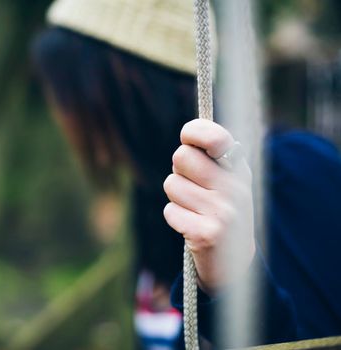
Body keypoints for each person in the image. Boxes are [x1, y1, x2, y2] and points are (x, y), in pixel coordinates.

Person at [31, 0, 341, 348]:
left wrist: (232, 281)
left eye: (73, 100)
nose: (65, 120)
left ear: (125, 92)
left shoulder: (298, 172)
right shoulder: (152, 198)